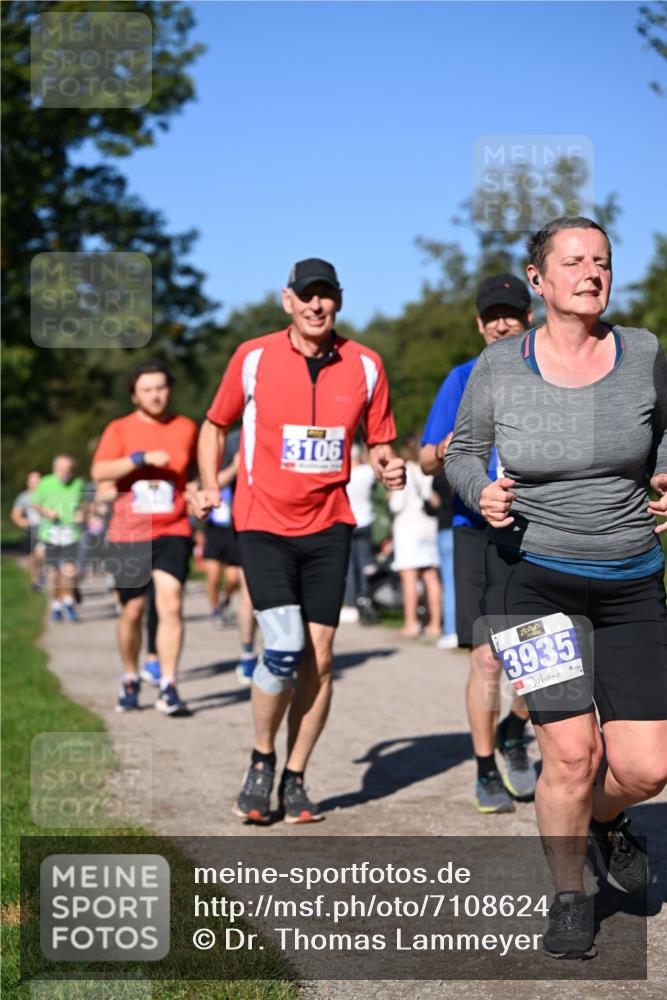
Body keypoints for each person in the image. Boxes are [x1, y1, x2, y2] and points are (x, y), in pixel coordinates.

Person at [444, 216, 667, 959]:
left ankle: (604, 821)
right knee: (570, 754)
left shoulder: (643, 353)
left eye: (600, 260)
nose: (591, 272)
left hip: (631, 579)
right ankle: (570, 894)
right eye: (572, 261)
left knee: (643, 767)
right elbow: (463, 452)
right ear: (537, 280)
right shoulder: (502, 365)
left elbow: (663, 434)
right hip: (532, 581)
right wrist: (481, 492)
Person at [194, 258, 405, 824]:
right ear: (287, 300)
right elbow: (215, 424)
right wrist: (209, 482)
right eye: (306, 296)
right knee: (284, 646)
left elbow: (380, 438)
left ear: (338, 301)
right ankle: (261, 759)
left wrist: (389, 466)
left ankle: (295, 776)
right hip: (262, 521)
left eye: (326, 296)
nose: (317, 306)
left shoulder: (364, 365)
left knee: (321, 657)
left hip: (330, 525)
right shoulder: (253, 357)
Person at [420, 273, 537, 813]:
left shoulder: (549, 376)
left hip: (538, 530)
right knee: (489, 659)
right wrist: (449, 445)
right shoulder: (461, 378)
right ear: (479, 323)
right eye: (492, 315)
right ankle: (486, 767)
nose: (501, 323)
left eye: (510, 312)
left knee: (540, 658)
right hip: (473, 531)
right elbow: (424, 458)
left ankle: (517, 730)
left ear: (529, 316)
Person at [92, 362, 198, 716]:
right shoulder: (119, 428)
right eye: (147, 389)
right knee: (133, 610)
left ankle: (168, 684)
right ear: (135, 395)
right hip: (128, 531)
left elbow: (194, 473)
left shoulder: (186, 428)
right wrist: (139, 459)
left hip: (173, 528)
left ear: (169, 389)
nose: (155, 395)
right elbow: (100, 471)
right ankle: (130, 676)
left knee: (171, 603)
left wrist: (198, 494)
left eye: (161, 388)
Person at [202, 428, 258, 683]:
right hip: (227, 524)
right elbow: (211, 483)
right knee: (220, 578)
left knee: (244, 586)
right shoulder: (231, 440)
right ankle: (247, 654)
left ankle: (278, 654)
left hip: (266, 521)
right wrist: (236, 467)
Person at [389, 435, 442, 638]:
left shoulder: (405, 471)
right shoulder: (427, 472)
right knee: (430, 576)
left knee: (409, 578)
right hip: (428, 526)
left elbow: (396, 505)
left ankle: (411, 623)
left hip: (408, 529)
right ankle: (434, 624)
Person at [32, 456, 85, 622]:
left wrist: (81, 514)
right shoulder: (46, 483)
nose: (66, 472)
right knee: (53, 574)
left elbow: (83, 504)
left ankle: (68, 602)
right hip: (51, 534)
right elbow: (35, 504)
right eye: (62, 468)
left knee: (69, 570)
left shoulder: (78, 483)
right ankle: (56, 605)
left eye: (69, 468)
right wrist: (46, 513)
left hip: (70, 533)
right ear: (55, 469)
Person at [340, 443, 377, 623]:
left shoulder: (343, 473)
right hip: (365, 521)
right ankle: (366, 598)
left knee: (349, 566)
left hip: (348, 522)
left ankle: (351, 604)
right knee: (365, 565)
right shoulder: (365, 472)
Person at [11, 470, 44, 589]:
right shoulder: (23, 497)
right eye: (32, 481)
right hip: (31, 529)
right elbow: (15, 514)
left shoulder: (48, 495)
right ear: (28, 483)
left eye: (37, 481)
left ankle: (41, 577)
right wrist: (22, 522)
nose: (35, 484)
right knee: (31, 558)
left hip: (45, 529)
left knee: (41, 553)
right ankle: (36, 579)